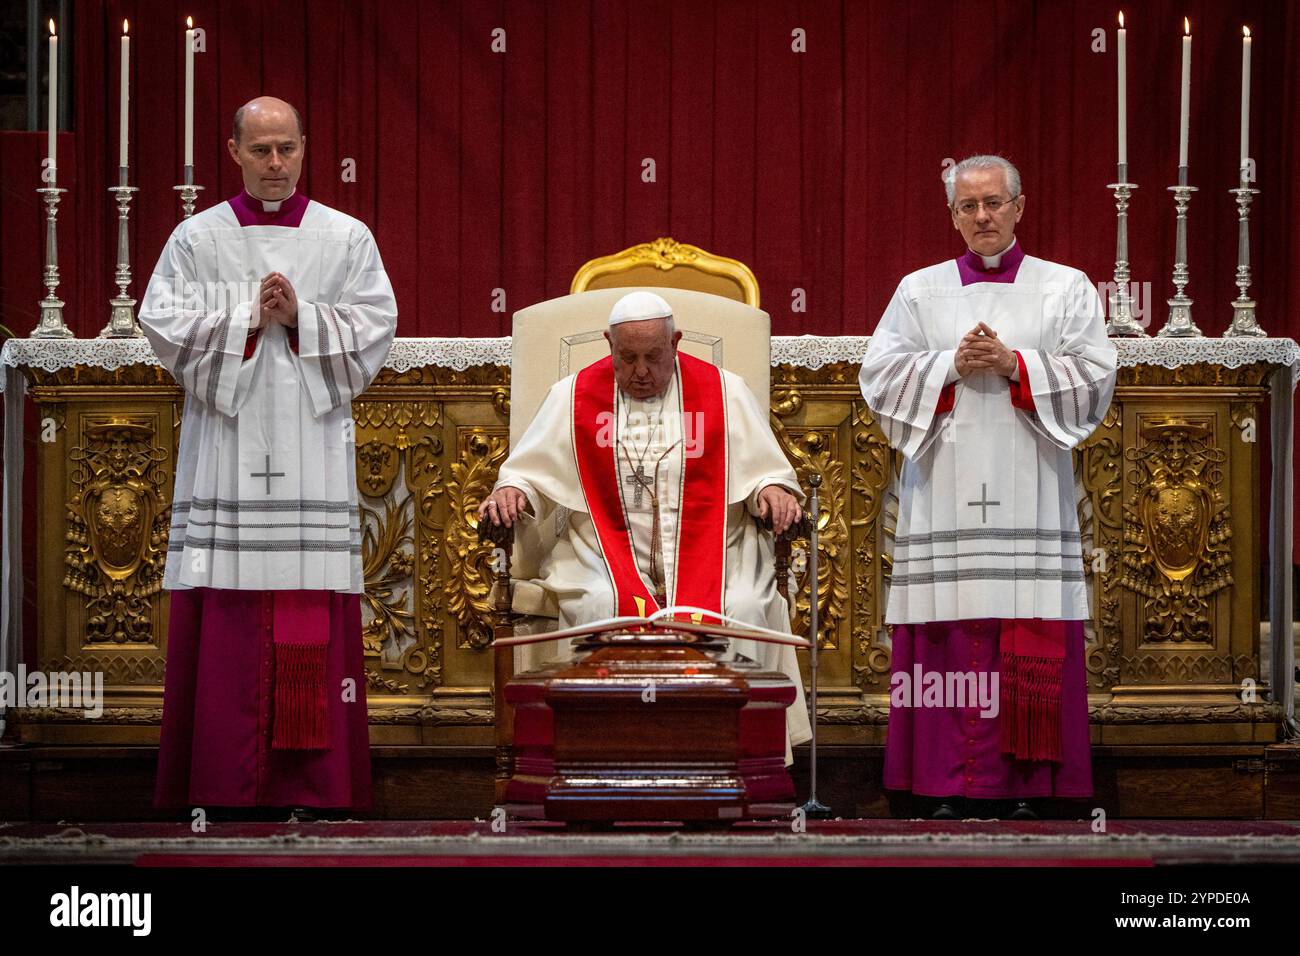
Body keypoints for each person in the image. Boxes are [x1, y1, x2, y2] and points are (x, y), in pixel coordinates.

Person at [141, 96, 397, 813]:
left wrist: (302, 317)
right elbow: (160, 323)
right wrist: (248, 316)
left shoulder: (344, 238)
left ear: (306, 147)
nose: (276, 164)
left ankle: (313, 789)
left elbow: (377, 328)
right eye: (261, 151)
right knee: (224, 608)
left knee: (306, 602)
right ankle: (219, 783)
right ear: (234, 152)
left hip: (312, 447)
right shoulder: (199, 238)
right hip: (226, 444)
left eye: (288, 148)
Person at [859, 155, 1116, 819]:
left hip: (1031, 487)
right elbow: (880, 377)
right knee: (949, 632)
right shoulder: (919, 292)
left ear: (1019, 206)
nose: (983, 216)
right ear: (951, 216)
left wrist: (1014, 364)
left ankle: (1033, 786)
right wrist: (948, 364)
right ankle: (941, 784)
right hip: (943, 489)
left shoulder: (1066, 288)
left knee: (1025, 626)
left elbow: (1094, 376)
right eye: (968, 206)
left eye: (994, 202)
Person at [479, 291, 813, 757]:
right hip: (602, 553)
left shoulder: (724, 390)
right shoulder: (573, 396)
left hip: (718, 551)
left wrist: (770, 490)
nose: (640, 371)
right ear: (607, 346)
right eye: (627, 357)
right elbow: (529, 470)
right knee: (600, 603)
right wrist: (514, 490)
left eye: (653, 357)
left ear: (675, 342)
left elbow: (763, 470)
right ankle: (603, 755)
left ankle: (738, 757)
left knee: (742, 607)